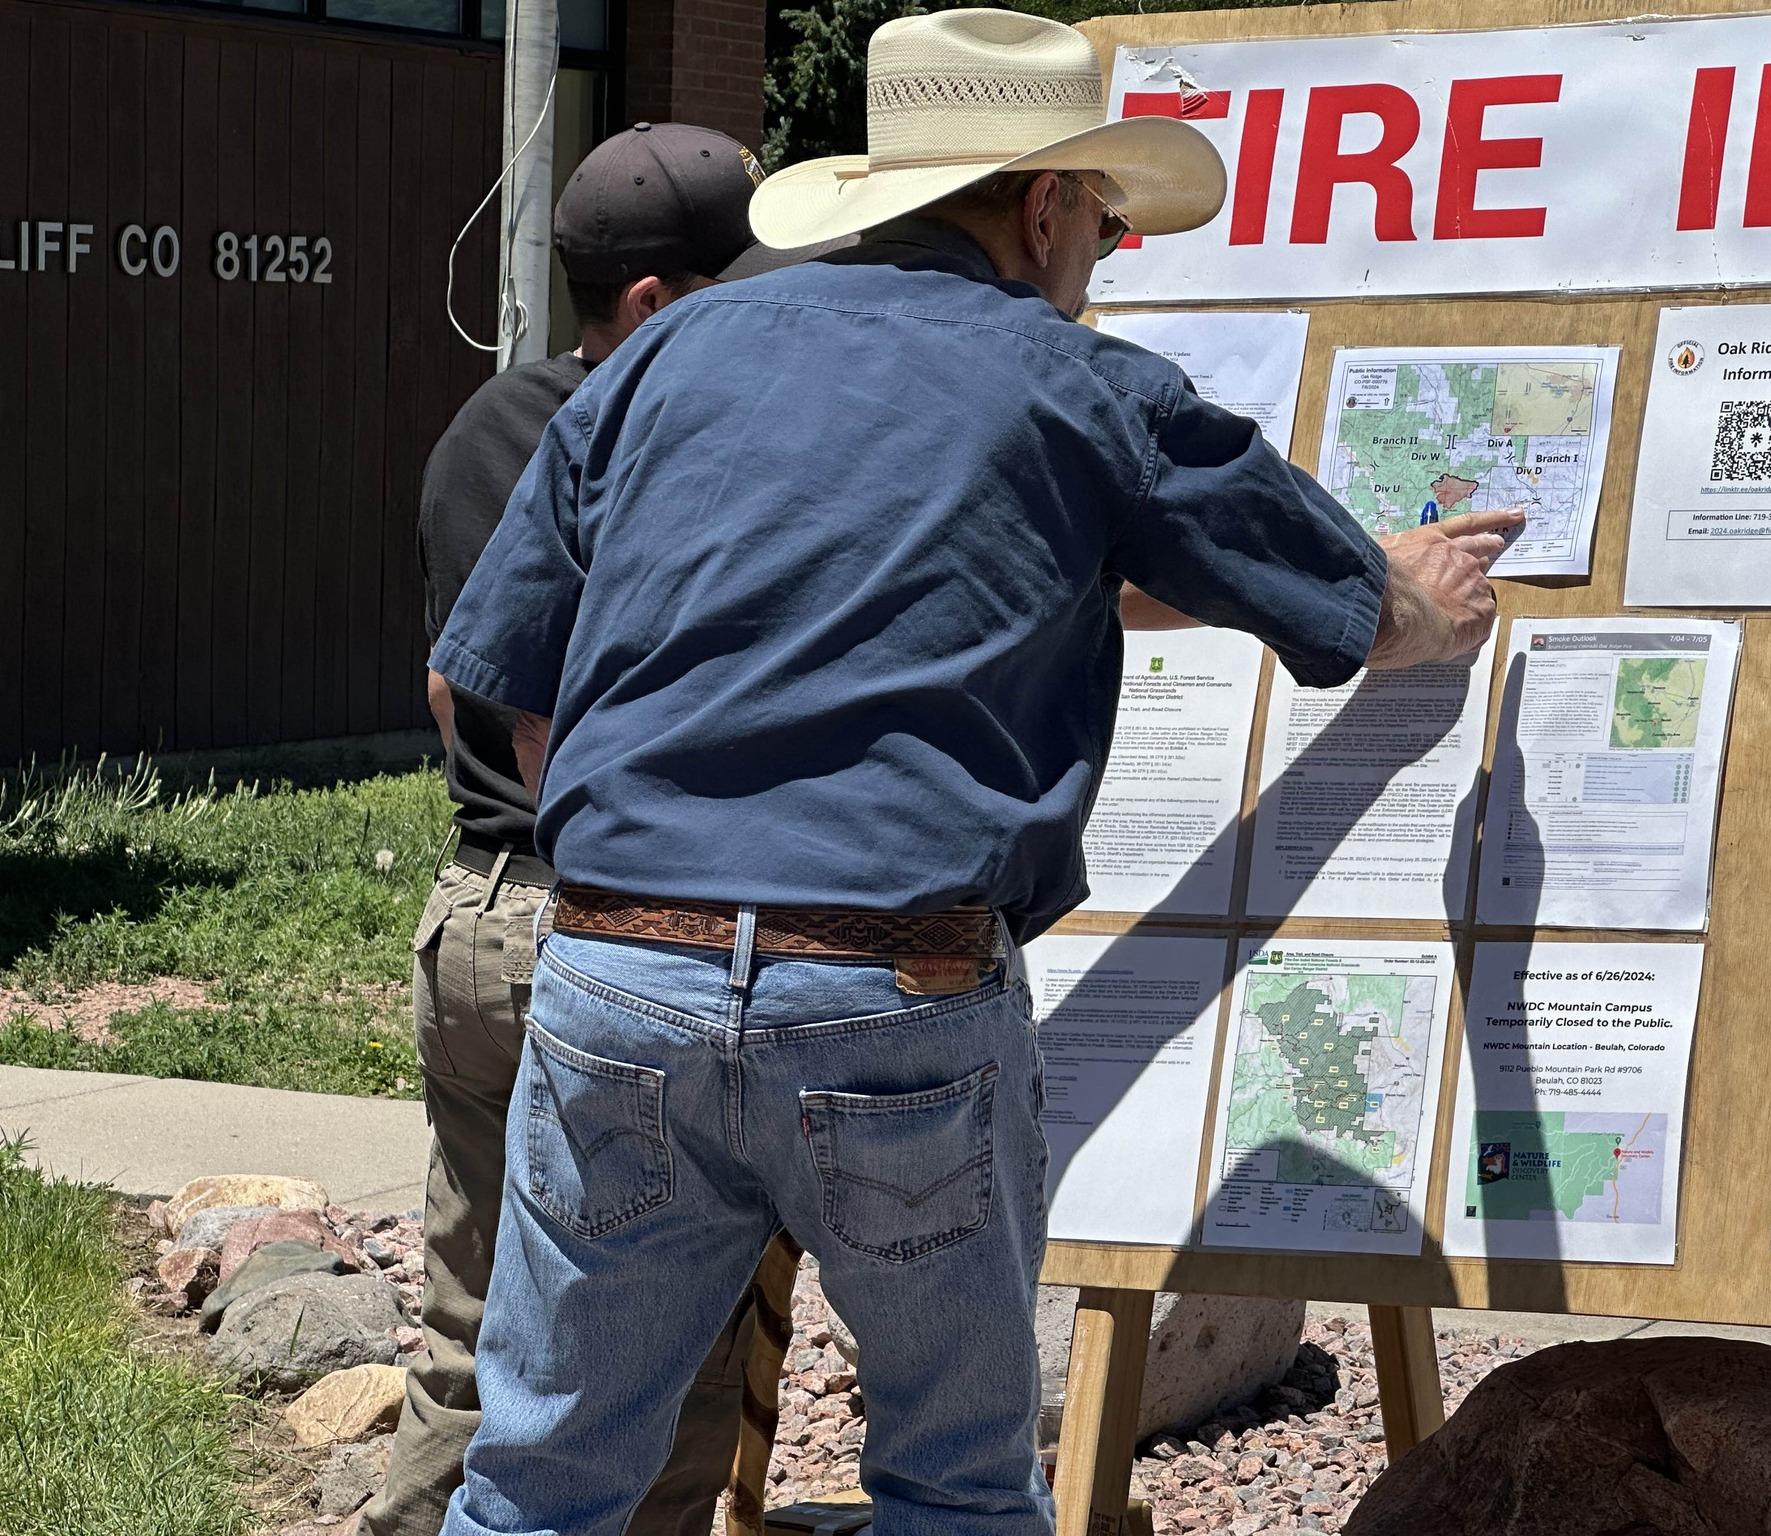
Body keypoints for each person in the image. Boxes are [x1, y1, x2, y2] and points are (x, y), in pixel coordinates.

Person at [429, 12, 1511, 1536]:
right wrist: (1429, 601)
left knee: (539, 1483)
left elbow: (503, 684)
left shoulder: (665, 351)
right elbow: (1350, 598)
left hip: (619, 973)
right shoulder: (1082, 389)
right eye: (1109, 221)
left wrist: (657, 878)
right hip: (895, 992)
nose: (1109, 257)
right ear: (1048, 203)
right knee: (951, 1487)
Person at [365, 122, 817, 1536]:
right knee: (664, 1353)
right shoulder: (671, 438)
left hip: (474, 919)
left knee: (470, 1336)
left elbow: (461, 683)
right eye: (732, 286)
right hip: (610, 928)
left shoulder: (480, 429)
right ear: (650, 307)